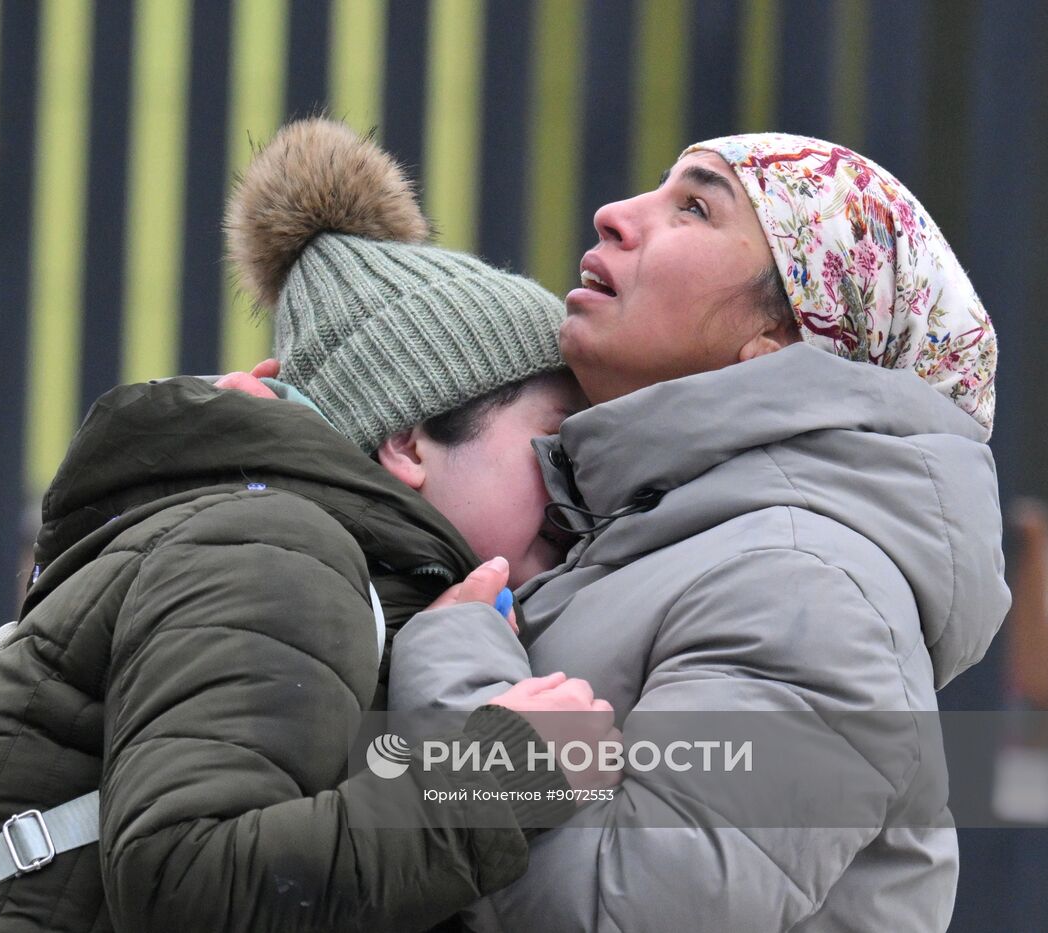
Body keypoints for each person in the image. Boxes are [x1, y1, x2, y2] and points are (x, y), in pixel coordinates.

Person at [0, 119, 614, 932]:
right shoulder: (279, 553)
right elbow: (188, 878)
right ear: (407, 440)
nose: (579, 489)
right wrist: (504, 778)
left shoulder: (314, 564)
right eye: (553, 442)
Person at [388, 133, 1008, 932]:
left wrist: (455, 670)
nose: (613, 215)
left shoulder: (808, 589)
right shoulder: (657, 540)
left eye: (695, 207)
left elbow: (618, 912)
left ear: (781, 348)